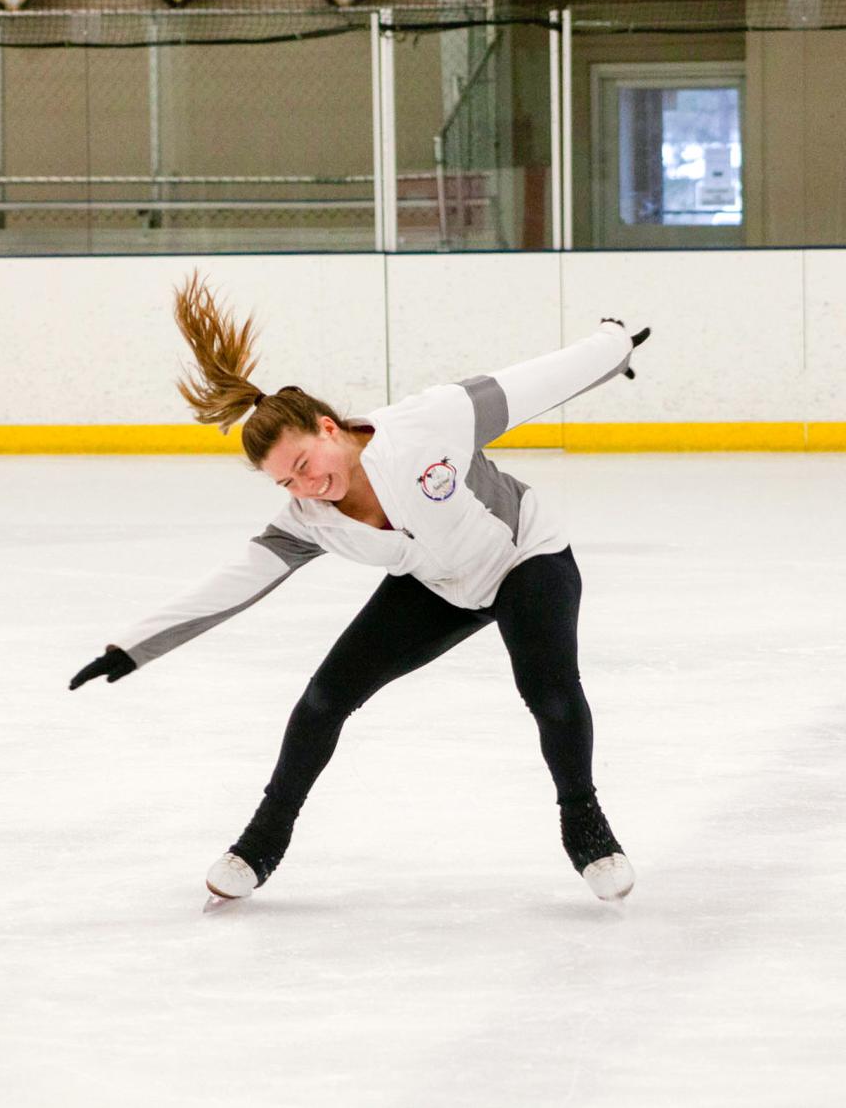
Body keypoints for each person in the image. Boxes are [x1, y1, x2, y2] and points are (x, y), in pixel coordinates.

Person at [70, 275, 652, 905]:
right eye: (285, 483)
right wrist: (132, 647)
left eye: (303, 465)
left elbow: (535, 381)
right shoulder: (308, 520)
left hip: (525, 558)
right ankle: (260, 843)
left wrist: (612, 343)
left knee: (549, 690)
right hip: (439, 583)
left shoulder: (426, 424)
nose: (305, 486)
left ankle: (586, 829)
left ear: (327, 427)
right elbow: (234, 583)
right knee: (325, 698)